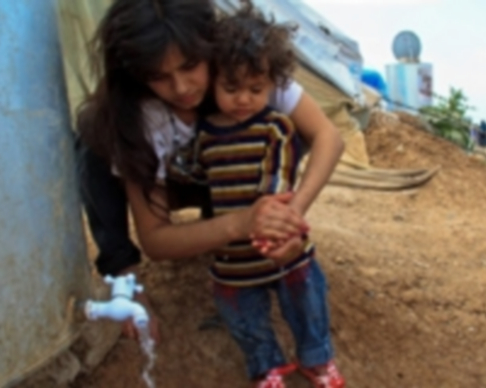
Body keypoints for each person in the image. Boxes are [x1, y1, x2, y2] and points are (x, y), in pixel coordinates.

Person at [77, 0, 343, 367]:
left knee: (286, 131)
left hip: (225, 177)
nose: (182, 87)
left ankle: (253, 225)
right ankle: (125, 280)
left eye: (190, 65)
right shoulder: (140, 116)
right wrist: (239, 223)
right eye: (158, 75)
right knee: (91, 140)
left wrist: (290, 215)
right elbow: (155, 237)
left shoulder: (246, 67)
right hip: (168, 181)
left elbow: (328, 136)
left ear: (209, 44)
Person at [187, 5, 345, 387]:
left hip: (281, 240)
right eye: (231, 88)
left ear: (272, 82)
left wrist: (289, 219)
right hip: (233, 254)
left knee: (304, 293)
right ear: (212, 80)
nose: (243, 99)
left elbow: (284, 171)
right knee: (241, 310)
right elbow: (194, 175)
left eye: (256, 90)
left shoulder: (276, 126)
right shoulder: (204, 134)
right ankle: (266, 366)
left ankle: (316, 358)